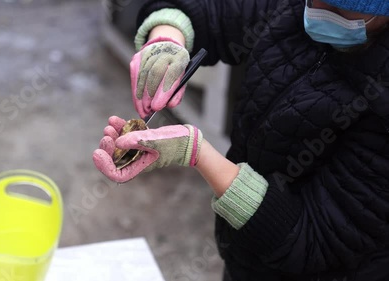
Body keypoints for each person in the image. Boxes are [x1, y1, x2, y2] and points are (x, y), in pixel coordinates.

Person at [93, 0, 389, 280]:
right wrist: (166, 40)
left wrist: (197, 154)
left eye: (341, 7)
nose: (318, 11)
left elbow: (314, 239)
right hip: (244, 256)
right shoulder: (297, 8)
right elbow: (216, 11)